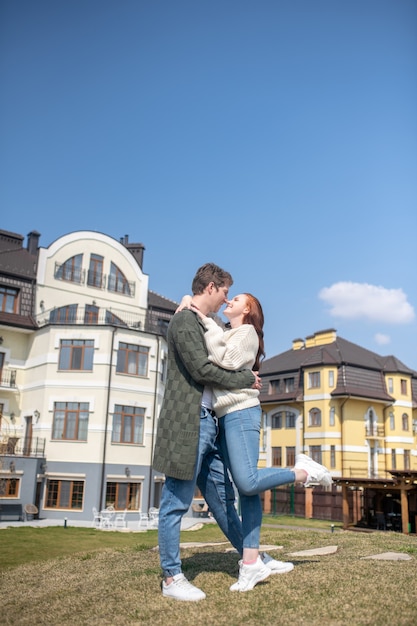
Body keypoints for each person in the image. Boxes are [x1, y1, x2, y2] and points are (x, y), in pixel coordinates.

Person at [152, 263, 293, 602]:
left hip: (209, 424)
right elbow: (203, 369)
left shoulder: (202, 320)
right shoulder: (185, 321)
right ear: (212, 287)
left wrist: (187, 300)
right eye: (226, 292)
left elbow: (220, 344)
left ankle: (252, 558)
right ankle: (172, 577)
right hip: (188, 423)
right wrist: (246, 380)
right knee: (175, 502)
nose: (226, 298)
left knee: (224, 503)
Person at [185, 292, 332, 591]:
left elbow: (223, 361)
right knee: (247, 492)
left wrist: (204, 319)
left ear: (248, 308)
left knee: (249, 482)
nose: (230, 301)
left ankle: (302, 472)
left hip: (242, 413)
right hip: (224, 417)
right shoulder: (227, 332)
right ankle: (252, 562)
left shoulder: (247, 333)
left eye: (236, 298)